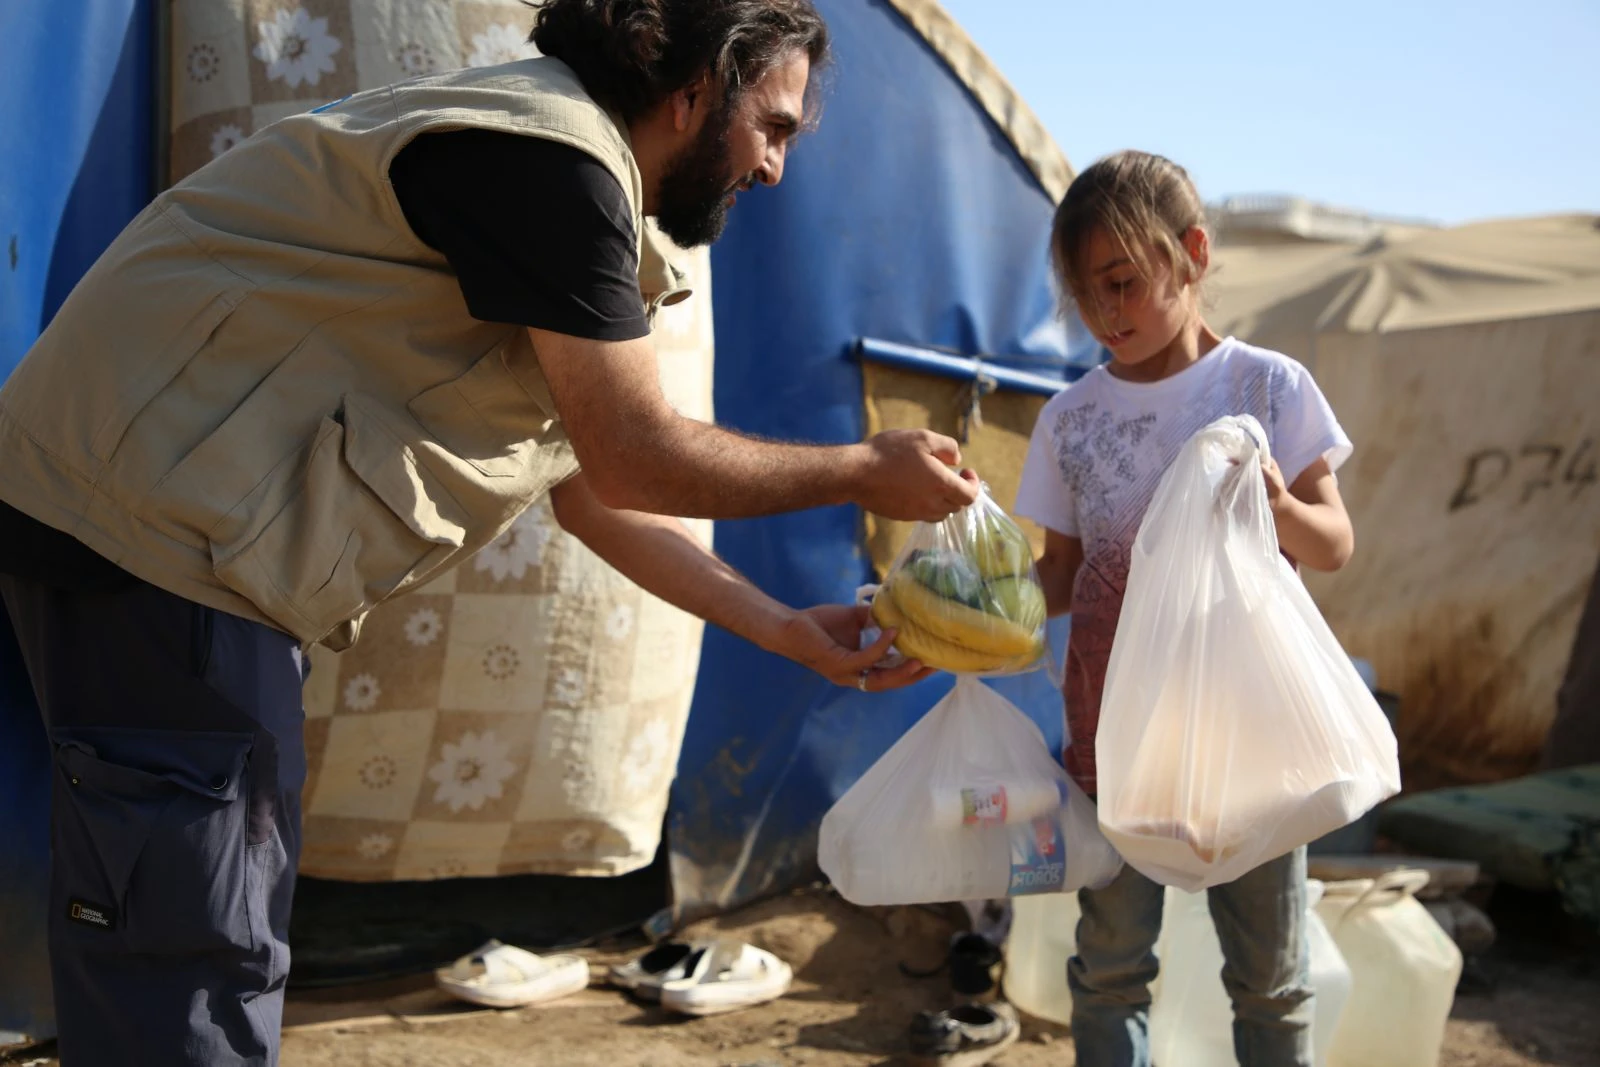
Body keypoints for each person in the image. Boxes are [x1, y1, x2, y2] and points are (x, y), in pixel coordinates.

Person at [0, 2, 981, 1063]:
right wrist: (861, 469)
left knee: (188, 926)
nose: (777, 168)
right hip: (165, 547)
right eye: (775, 127)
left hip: (157, 535)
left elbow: (593, 495)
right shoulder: (550, 165)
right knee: (194, 954)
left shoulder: (552, 176)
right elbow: (634, 453)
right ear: (697, 87)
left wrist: (784, 626)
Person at [1014, 150, 1357, 1067]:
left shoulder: (1267, 389)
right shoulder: (1071, 422)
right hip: (1117, 738)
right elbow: (1060, 573)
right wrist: (969, 598)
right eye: (1088, 296)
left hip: (1250, 734)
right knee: (1111, 967)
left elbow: (1333, 542)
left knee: (1271, 981)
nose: (1107, 313)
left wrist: (1276, 504)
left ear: (1192, 253)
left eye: (1124, 282)